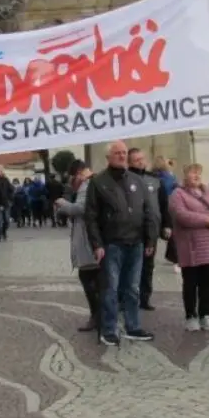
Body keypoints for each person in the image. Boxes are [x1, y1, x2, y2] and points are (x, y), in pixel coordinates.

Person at [84, 140, 156, 346]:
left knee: (133, 288)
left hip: (136, 243)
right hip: (111, 244)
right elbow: (91, 216)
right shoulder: (98, 182)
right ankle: (109, 329)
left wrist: (150, 238)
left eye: (124, 152)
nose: (122, 156)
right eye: (117, 153)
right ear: (108, 157)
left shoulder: (136, 180)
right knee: (110, 289)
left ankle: (133, 327)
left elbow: (148, 210)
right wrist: (97, 244)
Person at [168, 164, 209, 332]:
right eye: (192, 172)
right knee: (190, 282)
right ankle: (190, 315)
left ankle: (205, 314)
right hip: (190, 246)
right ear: (185, 176)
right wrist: (206, 221)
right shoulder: (177, 194)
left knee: (206, 283)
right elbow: (181, 215)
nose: (196, 175)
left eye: (198, 173)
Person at [55, 159, 100, 332]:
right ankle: (100, 314)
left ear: (79, 173)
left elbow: (80, 208)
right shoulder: (96, 181)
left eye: (73, 177)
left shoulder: (87, 185)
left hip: (88, 237)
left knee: (88, 276)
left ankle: (97, 316)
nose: (72, 182)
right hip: (92, 236)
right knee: (95, 277)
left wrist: (62, 203)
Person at [127, 147, 172, 311]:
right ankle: (128, 298)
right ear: (129, 162)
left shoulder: (154, 180)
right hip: (132, 230)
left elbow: (163, 204)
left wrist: (167, 224)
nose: (140, 162)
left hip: (151, 230)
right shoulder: (125, 179)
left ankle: (145, 298)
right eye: (136, 160)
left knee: (147, 266)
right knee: (131, 267)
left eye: (142, 159)